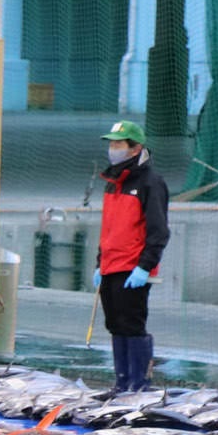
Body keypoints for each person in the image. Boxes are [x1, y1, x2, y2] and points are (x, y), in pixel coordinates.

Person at [93, 119, 169, 394]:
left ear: (135, 148)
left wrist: (145, 266)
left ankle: (139, 384)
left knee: (132, 324)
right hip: (110, 265)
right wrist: (99, 262)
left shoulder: (151, 183)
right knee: (115, 324)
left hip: (132, 267)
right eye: (111, 144)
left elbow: (158, 230)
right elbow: (109, 227)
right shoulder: (113, 182)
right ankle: (122, 382)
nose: (113, 149)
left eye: (119, 144)